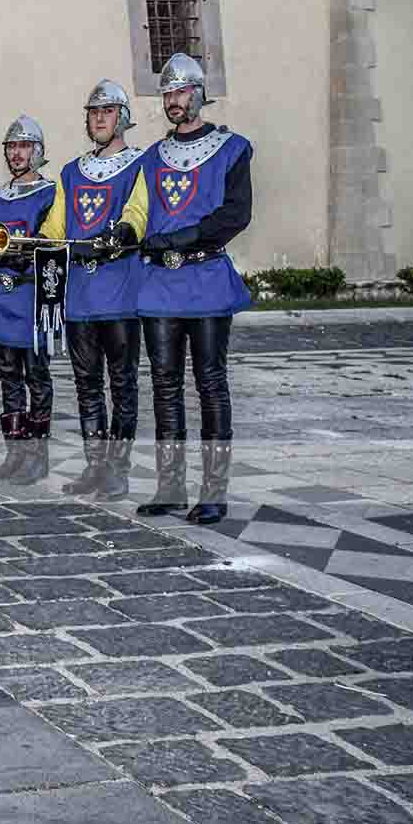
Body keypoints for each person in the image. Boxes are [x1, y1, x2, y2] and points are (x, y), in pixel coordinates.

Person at [134, 53, 253, 524]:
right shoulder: (151, 158)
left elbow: (236, 214)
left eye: (181, 92)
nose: (173, 101)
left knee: (210, 384)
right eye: (166, 94)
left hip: (204, 280)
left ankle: (214, 491)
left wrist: (188, 235)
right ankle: (169, 487)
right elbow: (138, 210)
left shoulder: (232, 148)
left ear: (199, 93)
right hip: (160, 283)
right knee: (164, 385)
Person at [42, 80, 147, 499]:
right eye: (93, 112)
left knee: (122, 383)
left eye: (106, 111)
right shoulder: (70, 172)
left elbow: (138, 210)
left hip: (121, 289)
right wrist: (31, 241)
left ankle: (118, 471)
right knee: (87, 383)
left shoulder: (141, 164)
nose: (99, 118)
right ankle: (95, 467)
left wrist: (123, 231)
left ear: (121, 117)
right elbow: (57, 226)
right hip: (81, 294)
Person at [0, 116, 59, 485]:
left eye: (23, 146)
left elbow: (54, 238)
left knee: (36, 377)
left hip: (31, 296)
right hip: (0, 296)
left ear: (37, 152)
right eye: (11, 146)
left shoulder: (51, 194)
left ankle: (37, 458)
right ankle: (14, 454)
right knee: (7, 377)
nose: (16, 153)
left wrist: (30, 249)